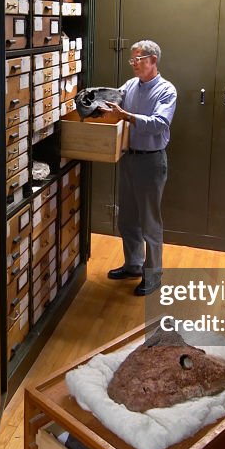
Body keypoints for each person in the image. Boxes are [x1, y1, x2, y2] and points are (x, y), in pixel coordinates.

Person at [98, 40, 177, 296]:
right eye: (132, 59)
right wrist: (95, 102)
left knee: (150, 222)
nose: (134, 64)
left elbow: (159, 123)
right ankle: (133, 264)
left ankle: (153, 275)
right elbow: (114, 100)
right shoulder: (131, 85)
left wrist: (126, 116)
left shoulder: (166, 90)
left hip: (151, 162)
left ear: (153, 60)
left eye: (138, 59)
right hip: (129, 158)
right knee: (127, 218)